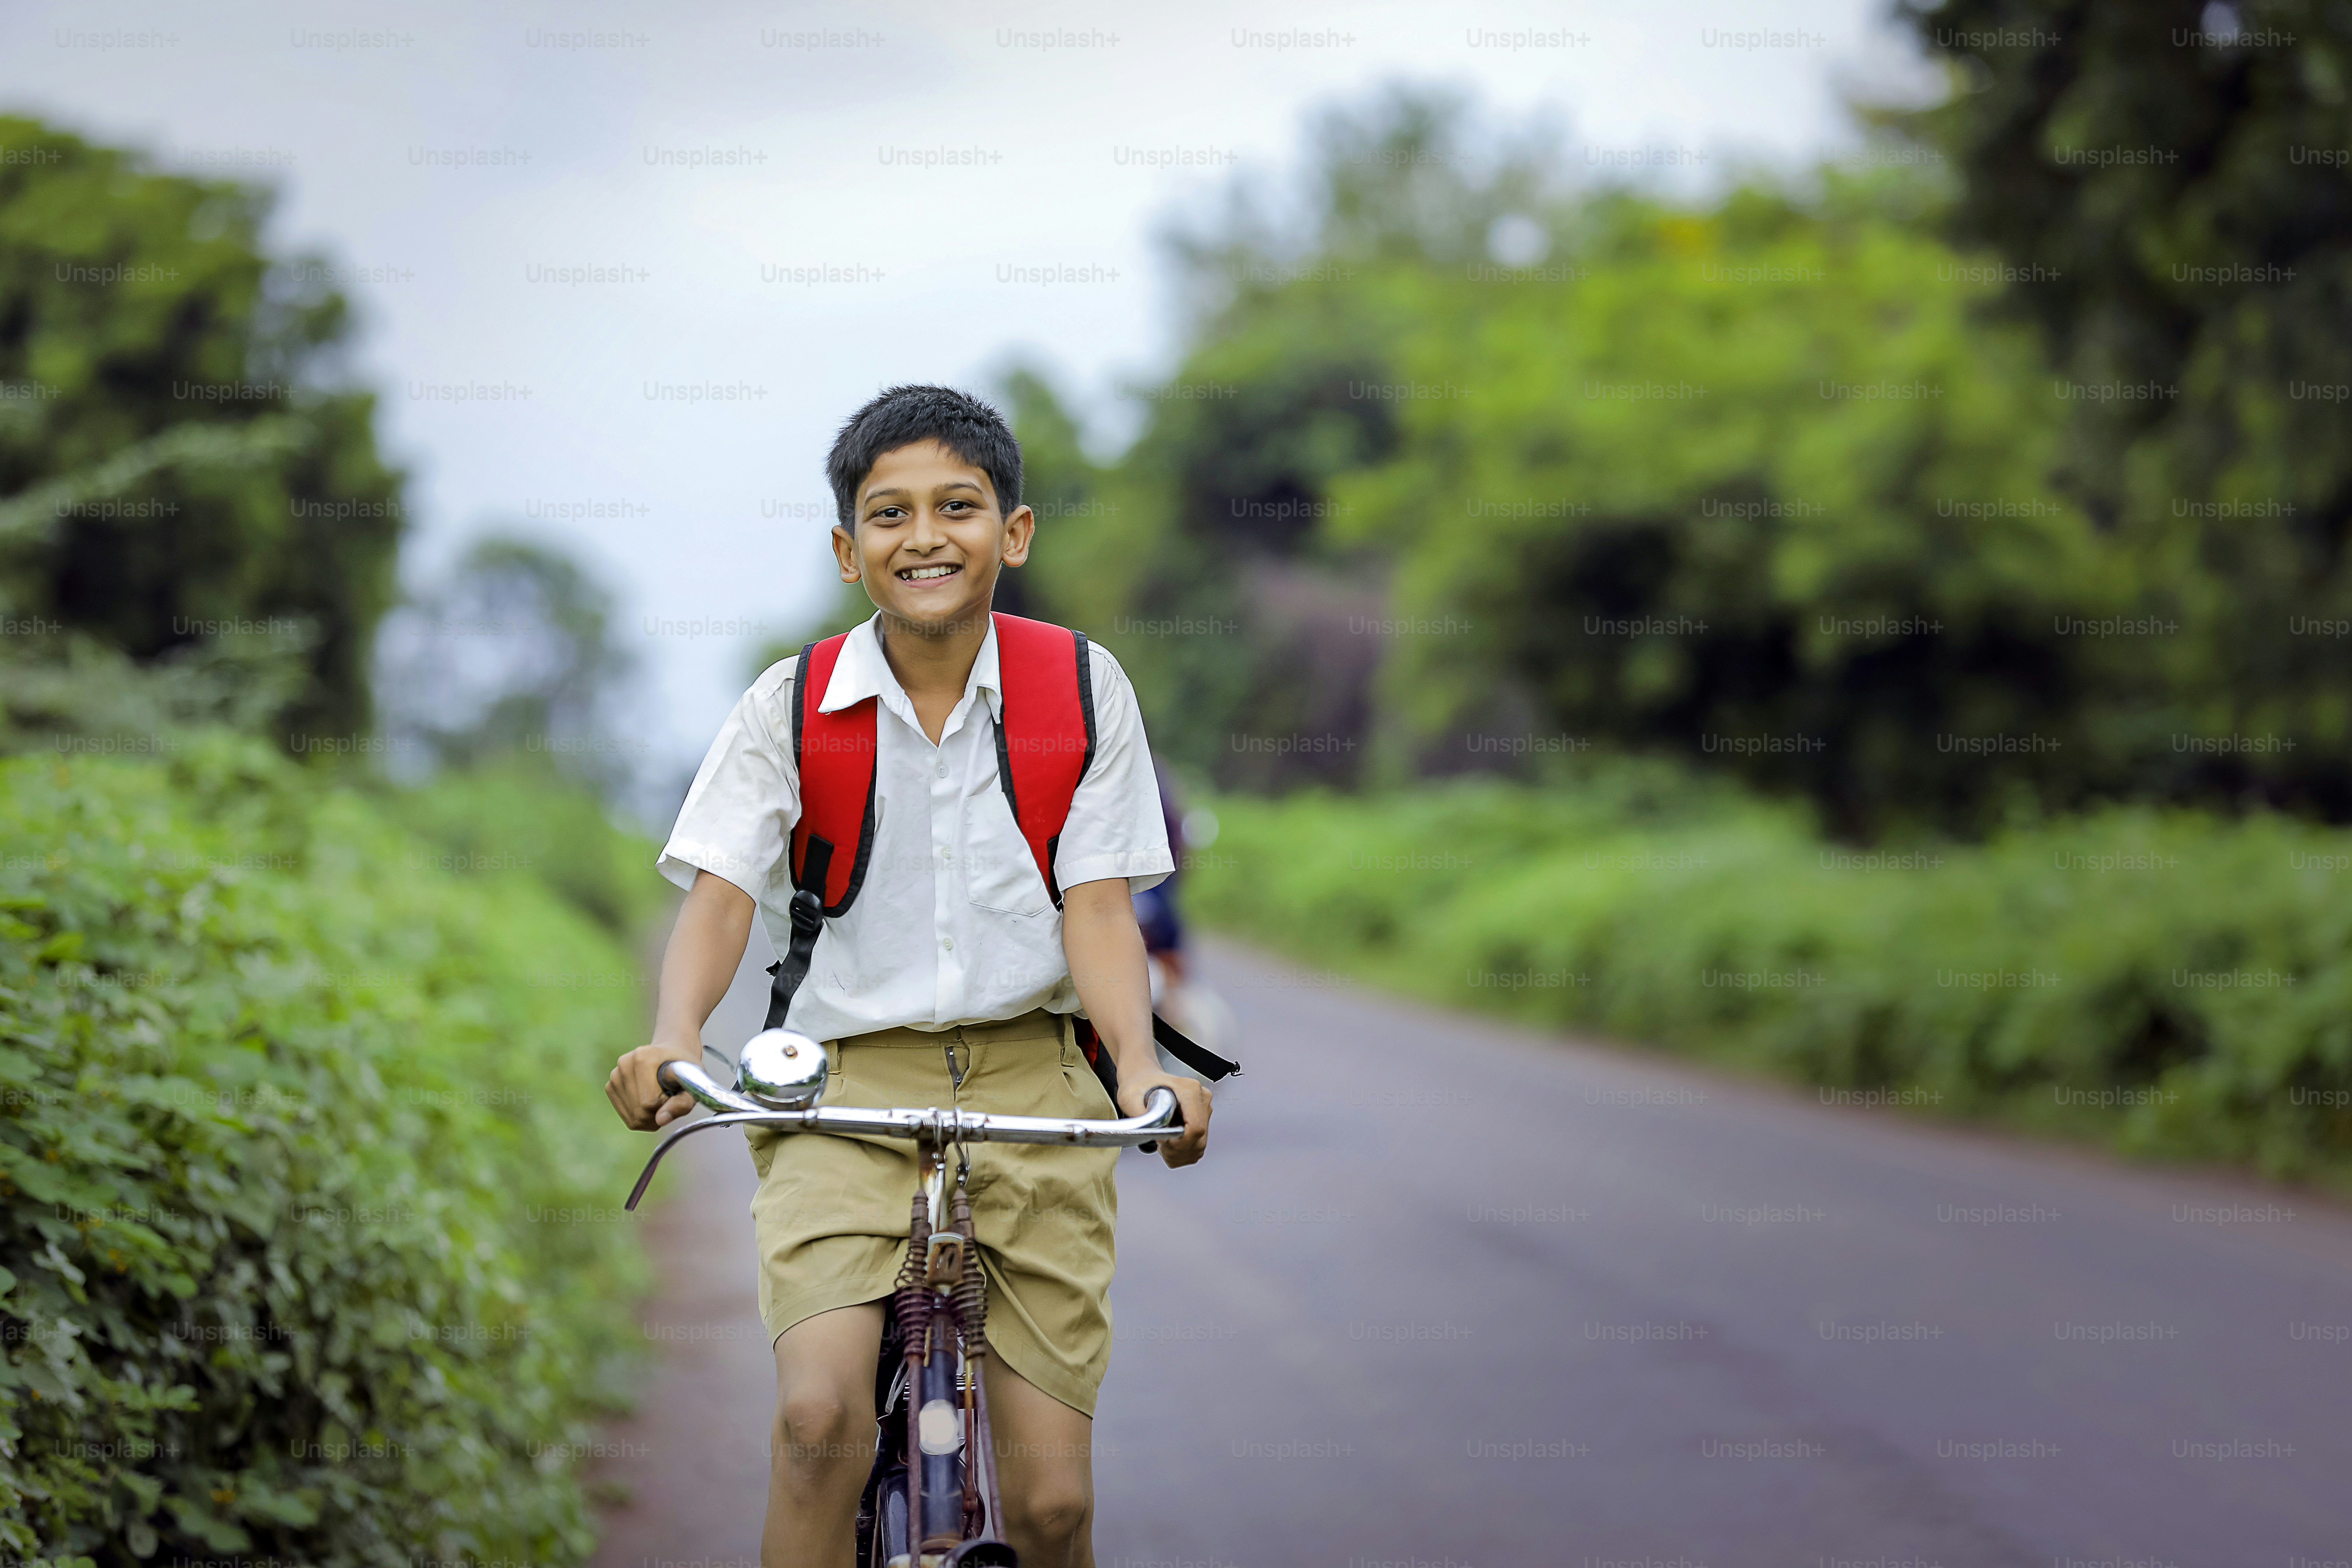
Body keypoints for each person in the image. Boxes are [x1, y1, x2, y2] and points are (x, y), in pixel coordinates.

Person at [604, 385, 1212, 1568]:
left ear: (1014, 534)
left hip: (1036, 1086)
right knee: (819, 1421)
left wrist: (1144, 1072)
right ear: (848, 551)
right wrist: (673, 1034)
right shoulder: (791, 704)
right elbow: (724, 892)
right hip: (837, 1088)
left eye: (959, 507)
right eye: (889, 513)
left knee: (1051, 1510)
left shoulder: (1084, 691)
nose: (925, 536)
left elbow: (1098, 909)